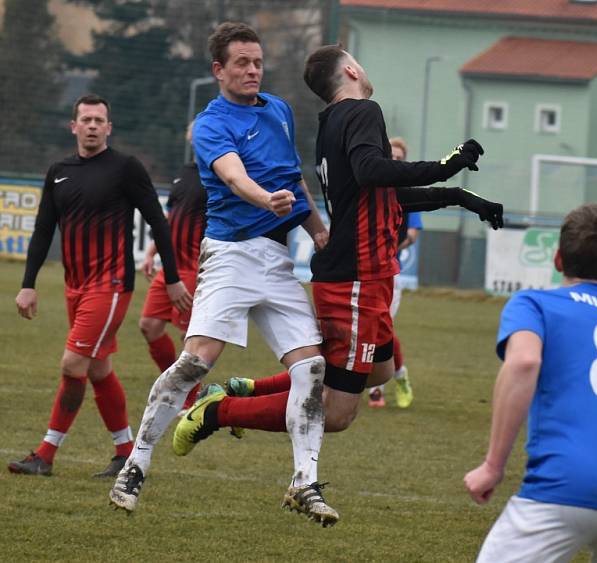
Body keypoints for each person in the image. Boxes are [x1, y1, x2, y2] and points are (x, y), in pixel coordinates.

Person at [170, 44, 504, 519]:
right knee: (338, 412)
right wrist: (448, 164)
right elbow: (373, 171)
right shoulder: (362, 111)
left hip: (368, 276)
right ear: (351, 69)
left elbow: (380, 191)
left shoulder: (334, 121)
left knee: (382, 373)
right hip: (355, 280)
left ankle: (244, 388)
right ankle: (214, 413)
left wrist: (458, 195)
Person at [108, 22, 337, 526]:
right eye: (242, 63)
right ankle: (137, 462)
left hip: (277, 260)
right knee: (196, 363)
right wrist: (265, 199)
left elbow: (292, 177)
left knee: (311, 368)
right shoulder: (212, 123)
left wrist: (317, 229)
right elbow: (234, 177)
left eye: (257, 62)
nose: (253, 70)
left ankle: (305, 483)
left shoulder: (277, 110)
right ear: (219, 70)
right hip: (231, 256)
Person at [465, 203, 597, 563]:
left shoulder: (535, 304)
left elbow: (524, 362)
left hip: (564, 485)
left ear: (558, 259)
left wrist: (493, 466)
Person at [8, 94, 191, 478]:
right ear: (74, 126)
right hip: (74, 286)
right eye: (86, 119)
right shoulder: (59, 170)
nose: (92, 125)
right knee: (98, 370)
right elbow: (43, 230)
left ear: (109, 127)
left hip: (109, 285)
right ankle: (125, 451)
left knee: (73, 364)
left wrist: (172, 277)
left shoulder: (125, 168)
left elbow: (159, 221)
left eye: (99, 120)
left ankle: (45, 453)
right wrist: (28, 284)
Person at [138, 123, 206, 412]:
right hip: (170, 266)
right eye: (194, 132)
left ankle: (192, 395)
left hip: (194, 267)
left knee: (189, 336)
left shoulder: (221, 174)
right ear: (190, 137)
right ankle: (174, 382)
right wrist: (152, 251)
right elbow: (169, 219)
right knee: (149, 326)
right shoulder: (184, 174)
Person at [367, 136, 421, 409]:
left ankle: (383, 385)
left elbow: (412, 232)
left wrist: (392, 244)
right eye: (392, 156)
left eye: (401, 157)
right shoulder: (369, 184)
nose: (396, 160)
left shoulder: (407, 192)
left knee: (381, 328)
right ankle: (394, 374)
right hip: (363, 270)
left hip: (391, 272)